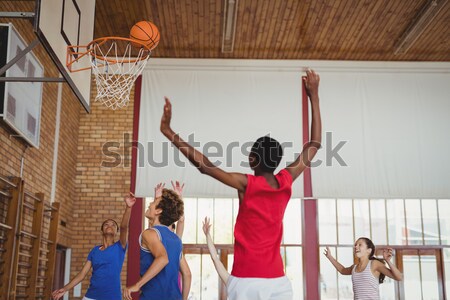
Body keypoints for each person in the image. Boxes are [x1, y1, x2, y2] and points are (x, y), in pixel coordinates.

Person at [160, 69, 322, 299]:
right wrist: (313, 95)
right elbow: (314, 144)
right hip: (278, 281)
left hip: (246, 280)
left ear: (252, 159)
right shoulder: (286, 180)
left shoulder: (247, 183)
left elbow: (205, 166)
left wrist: (168, 131)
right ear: (277, 161)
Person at [51, 193, 136, 300]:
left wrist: (128, 207)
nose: (109, 226)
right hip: (91, 296)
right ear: (102, 230)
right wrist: (65, 288)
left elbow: (124, 227)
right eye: (106, 224)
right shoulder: (95, 251)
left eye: (113, 225)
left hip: (112, 297)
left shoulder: (120, 246)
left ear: (116, 232)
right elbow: (82, 274)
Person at [124, 183, 191, 300]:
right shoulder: (176, 240)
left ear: (158, 211)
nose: (150, 204)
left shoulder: (149, 233)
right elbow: (187, 274)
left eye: (153, 202)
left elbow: (163, 258)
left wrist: (137, 285)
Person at [324, 237, 403, 300]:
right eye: (355, 244)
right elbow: (342, 270)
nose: (356, 246)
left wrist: (388, 261)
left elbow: (399, 277)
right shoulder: (354, 267)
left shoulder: (374, 264)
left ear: (369, 250)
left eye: (360, 245)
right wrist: (330, 257)